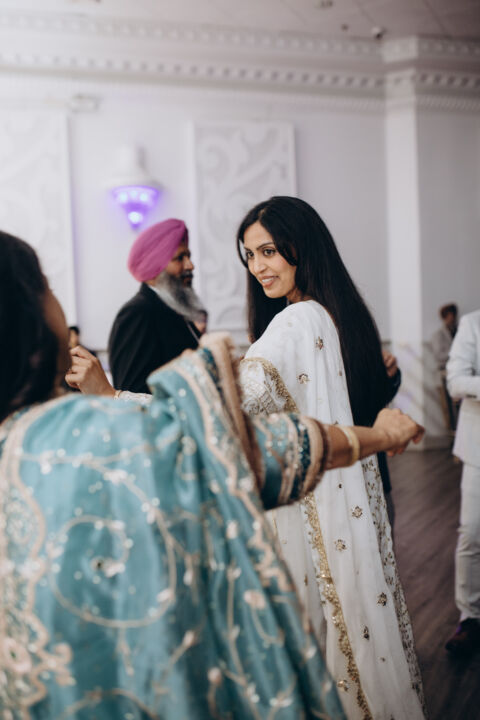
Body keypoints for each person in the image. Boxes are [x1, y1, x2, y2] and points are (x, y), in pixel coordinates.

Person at [0, 231, 424, 719]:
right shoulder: (108, 434)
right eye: (49, 287)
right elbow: (263, 451)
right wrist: (381, 436)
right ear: (29, 314)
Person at [236, 196, 426, 719]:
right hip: (344, 486)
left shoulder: (298, 320)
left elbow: (229, 407)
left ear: (301, 246)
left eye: (269, 251)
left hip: (307, 498)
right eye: (250, 255)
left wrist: (116, 398)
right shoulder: (338, 313)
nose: (258, 267)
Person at [108, 219, 206, 394]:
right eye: (180, 258)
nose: (190, 265)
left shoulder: (174, 309)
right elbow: (130, 394)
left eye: (188, 256)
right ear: (155, 265)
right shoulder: (138, 313)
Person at [445, 309, 480, 657]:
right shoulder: (473, 324)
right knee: (472, 533)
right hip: (478, 448)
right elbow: (456, 382)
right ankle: (470, 618)